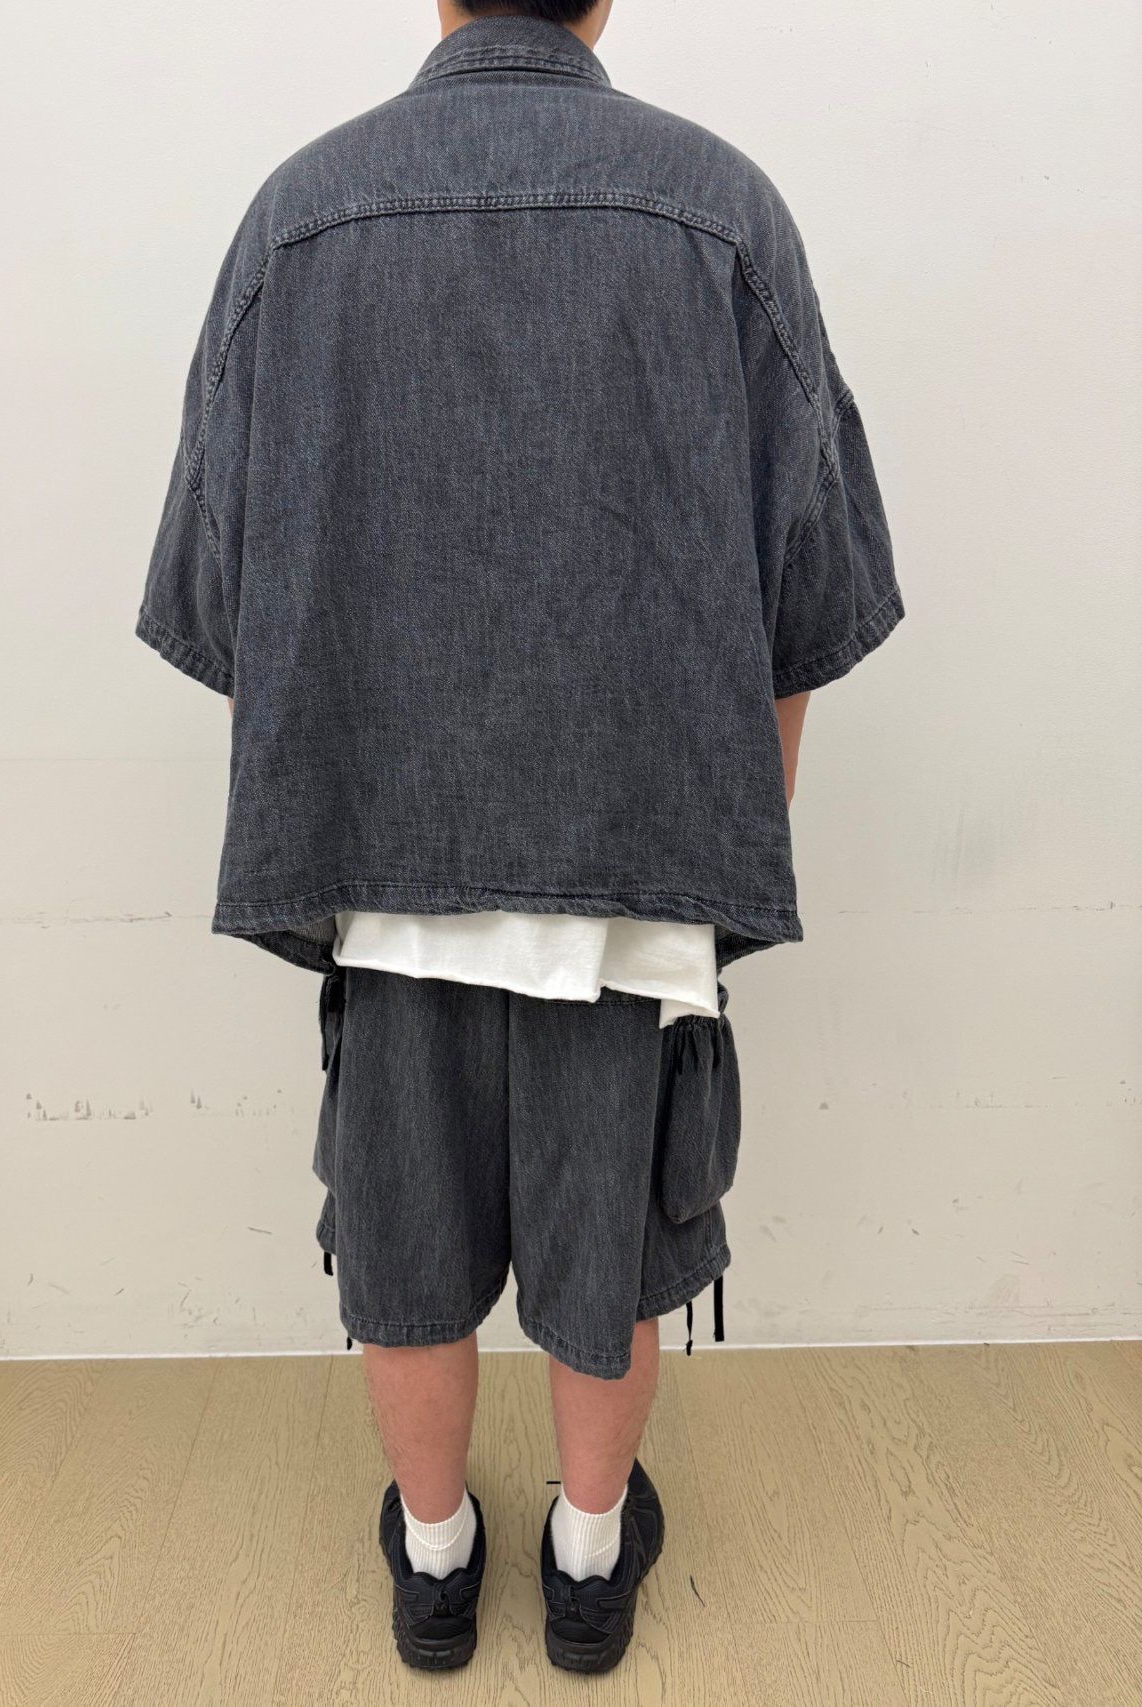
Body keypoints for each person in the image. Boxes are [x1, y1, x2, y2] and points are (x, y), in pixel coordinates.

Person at [135, 0, 902, 1675]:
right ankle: (590, 1558)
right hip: (636, 875)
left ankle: (432, 1563)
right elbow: (809, 595)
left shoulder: (299, 214)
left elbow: (224, 598)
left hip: (385, 870)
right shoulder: (723, 210)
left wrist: (362, 779)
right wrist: (714, 853)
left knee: (402, 1245)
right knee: (609, 1246)